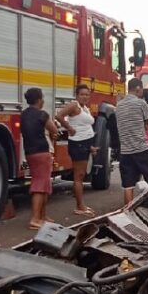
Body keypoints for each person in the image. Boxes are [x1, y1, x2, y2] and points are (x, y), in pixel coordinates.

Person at [115, 77, 148, 204]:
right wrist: (141, 126)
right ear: (138, 89)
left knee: (128, 186)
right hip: (141, 149)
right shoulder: (141, 103)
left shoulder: (119, 106)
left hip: (125, 151)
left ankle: (128, 211)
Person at [21, 87, 60, 230]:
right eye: (42, 98)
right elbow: (54, 130)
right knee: (39, 185)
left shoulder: (23, 114)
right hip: (42, 152)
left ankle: (43, 216)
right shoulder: (42, 115)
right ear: (39, 100)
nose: (43, 100)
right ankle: (36, 218)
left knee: (44, 184)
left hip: (30, 152)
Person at [55, 84, 97, 216]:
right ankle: (80, 206)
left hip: (84, 144)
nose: (85, 97)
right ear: (77, 95)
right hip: (78, 144)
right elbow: (59, 115)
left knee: (81, 175)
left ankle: (81, 205)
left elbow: (84, 126)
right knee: (78, 177)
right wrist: (69, 128)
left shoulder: (84, 108)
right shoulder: (74, 105)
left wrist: (90, 146)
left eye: (87, 94)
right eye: (82, 94)